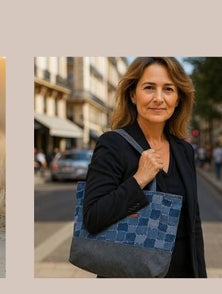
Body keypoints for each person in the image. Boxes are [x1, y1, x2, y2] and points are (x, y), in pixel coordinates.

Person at [82, 57, 206, 278]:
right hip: (130, 273)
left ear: (178, 99)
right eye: (149, 88)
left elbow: (194, 226)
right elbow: (93, 217)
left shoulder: (184, 151)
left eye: (168, 89)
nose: (158, 98)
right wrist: (139, 179)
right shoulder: (113, 144)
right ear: (132, 94)